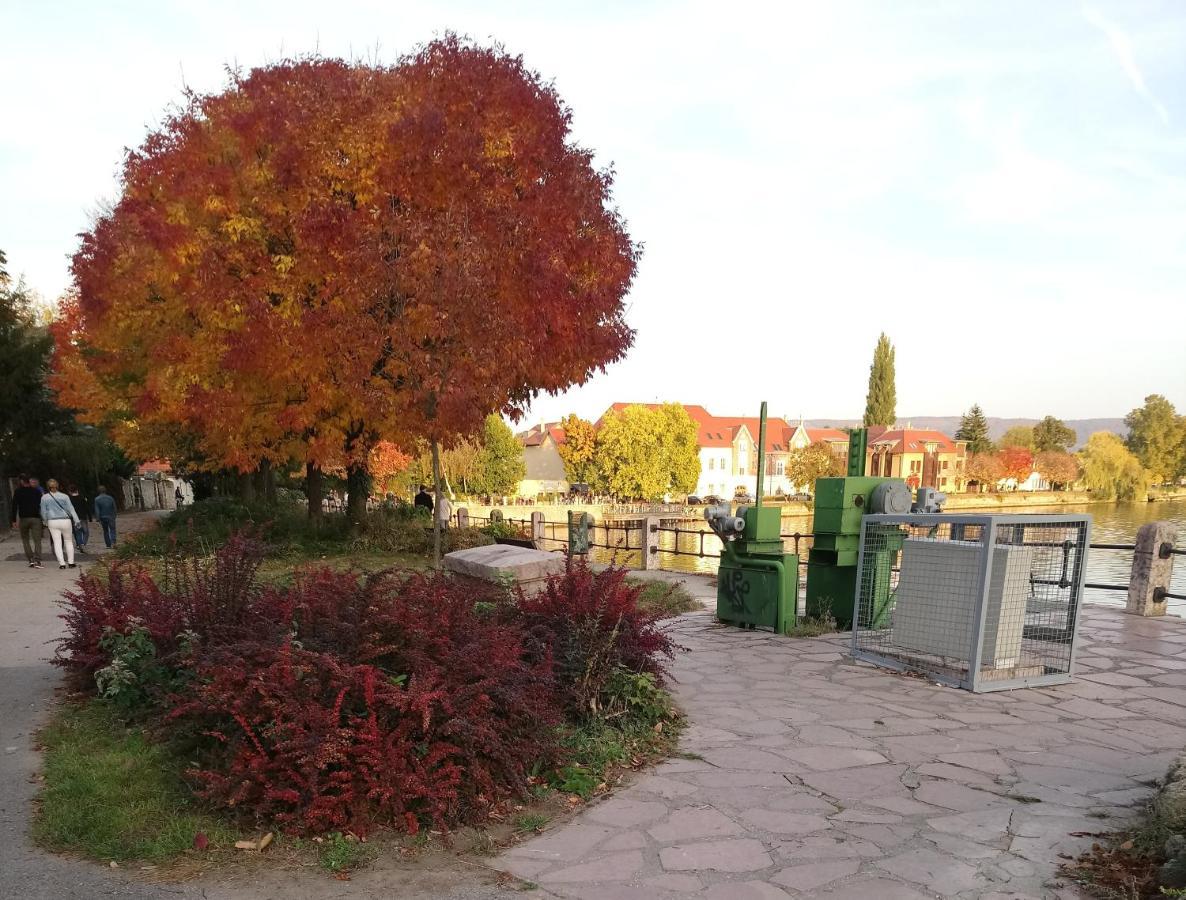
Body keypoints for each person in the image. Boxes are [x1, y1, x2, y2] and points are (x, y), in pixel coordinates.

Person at [40, 479, 81, 569]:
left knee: (57, 542)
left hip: (52, 521)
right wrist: (77, 520)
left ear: (48, 487)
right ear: (57, 486)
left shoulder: (44, 498)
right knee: (68, 541)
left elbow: (43, 511)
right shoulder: (64, 496)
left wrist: (45, 521)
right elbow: (71, 509)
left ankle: (62, 564)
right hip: (65, 520)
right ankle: (71, 562)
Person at [9, 474, 45, 568]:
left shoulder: (18, 492)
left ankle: (31, 560)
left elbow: (14, 506)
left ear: (21, 482)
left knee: (25, 540)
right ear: (29, 481)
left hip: (24, 518)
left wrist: (13, 520)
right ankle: (38, 560)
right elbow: (41, 505)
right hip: (35, 518)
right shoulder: (36, 491)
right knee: (37, 540)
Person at [67, 484, 91, 554]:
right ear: (77, 490)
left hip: (74, 518)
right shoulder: (82, 498)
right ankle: (83, 543)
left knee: (78, 532)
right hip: (83, 517)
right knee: (86, 531)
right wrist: (89, 517)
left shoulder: (69, 499)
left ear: (70, 492)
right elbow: (87, 507)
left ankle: (80, 544)